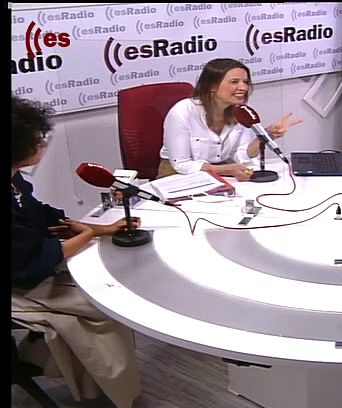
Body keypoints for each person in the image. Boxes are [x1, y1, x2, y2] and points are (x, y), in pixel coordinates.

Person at [11, 95, 142, 408]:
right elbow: (32, 262)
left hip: (29, 266)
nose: (43, 144)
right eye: (37, 140)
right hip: (20, 283)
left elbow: (41, 216)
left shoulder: (14, 179)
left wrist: (102, 230)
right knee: (106, 305)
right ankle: (111, 394)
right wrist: (87, 234)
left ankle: (95, 385)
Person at [158, 57, 303, 180]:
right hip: (178, 175)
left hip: (221, 171)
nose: (243, 88)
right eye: (234, 82)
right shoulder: (182, 112)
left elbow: (240, 155)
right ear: (212, 86)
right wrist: (225, 170)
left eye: (245, 82)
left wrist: (266, 136)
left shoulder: (242, 112)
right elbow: (181, 164)